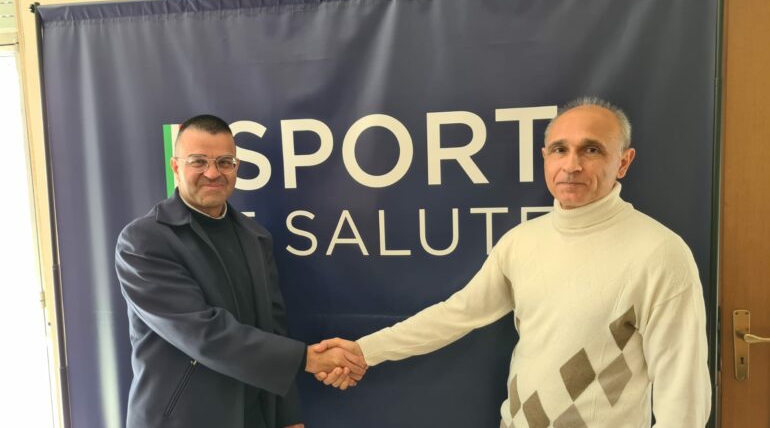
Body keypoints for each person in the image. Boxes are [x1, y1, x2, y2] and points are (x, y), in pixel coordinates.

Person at [316, 97, 712, 426]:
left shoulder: (659, 253)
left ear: (623, 162)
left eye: (591, 150)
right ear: (545, 157)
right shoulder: (522, 241)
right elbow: (457, 314)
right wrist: (363, 351)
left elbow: (684, 392)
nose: (571, 165)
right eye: (560, 149)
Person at [115, 114, 365, 428]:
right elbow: (203, 334)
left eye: (224, 162)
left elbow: (273, 330)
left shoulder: (255, 237)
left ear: (236, 167)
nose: (212, 173)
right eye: (198, 161)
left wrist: (288, 418)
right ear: (175, 166)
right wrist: (310, 359)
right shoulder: (143, 240)